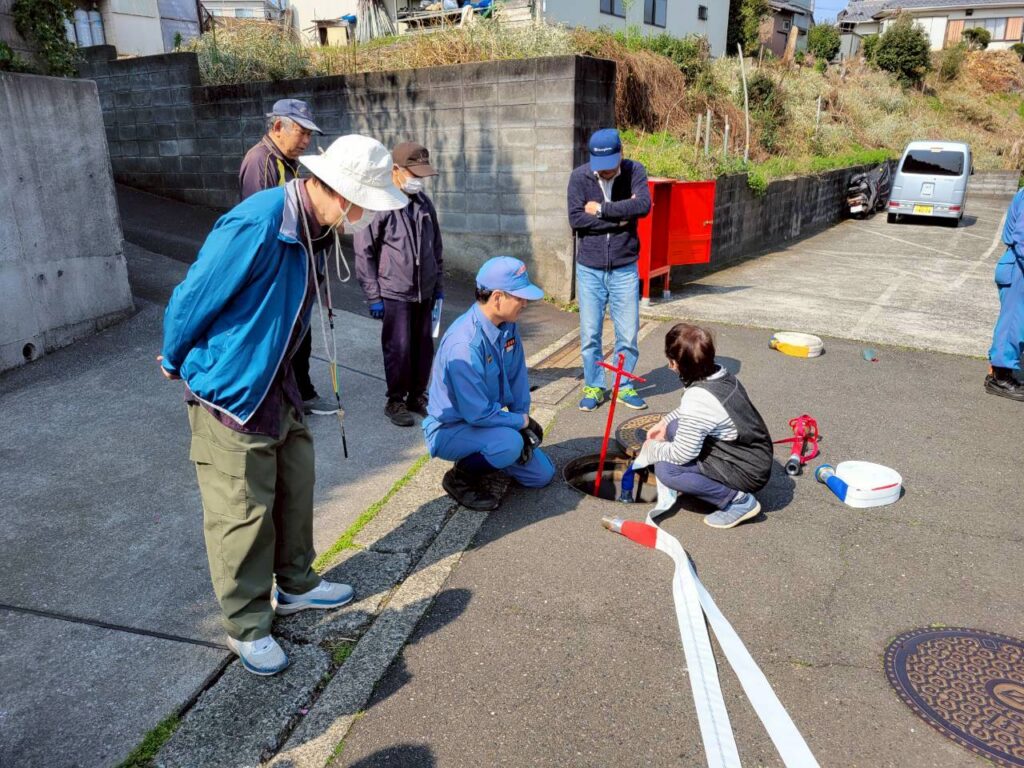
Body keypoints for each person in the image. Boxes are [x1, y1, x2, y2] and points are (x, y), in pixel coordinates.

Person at [159, 135, 408, 675]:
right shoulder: (260, 222)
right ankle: (247, 624)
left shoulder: (313, 225)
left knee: (296, 480)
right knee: (241, 511)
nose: (365, 216)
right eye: (364, 204)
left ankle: (296, 583)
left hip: (276, 381)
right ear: (339, 192)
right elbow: (193, 296)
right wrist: (174, 358)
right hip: (232, 386)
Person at [422, 257, 554, 511]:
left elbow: (518, 379)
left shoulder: (508, 326)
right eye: (520, 297)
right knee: (509, 444)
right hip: (451, 428)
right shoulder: (464, 345)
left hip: (487, 421)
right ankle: (460, 477)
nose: (525, 303)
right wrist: (521, 423)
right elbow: (477, 413)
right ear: (497, 297)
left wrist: (521, 418)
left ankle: (493, 455)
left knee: (541, 475)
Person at [239, 98, 335, 416]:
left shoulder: (288, 162)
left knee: (299, 334)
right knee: (280, 337)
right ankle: (282, 400)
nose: (306, 141)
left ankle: (300, 394)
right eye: (302, 132)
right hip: (276, 269)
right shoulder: (261, 161)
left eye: (309, 134)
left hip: (296, 266)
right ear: (278, 126)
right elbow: (263, 224)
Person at [632, 324, 773, 529]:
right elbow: (698, 413)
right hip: (751, 453)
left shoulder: (698, 397)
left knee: (667, 470)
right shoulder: (720, 374)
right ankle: (704, 481)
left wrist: (651, 449)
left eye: (670, 361)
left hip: (747, 471)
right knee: (673, 427)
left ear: (675, 364)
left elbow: (682, 454)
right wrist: (664, 422)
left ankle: (738, 501)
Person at [354, 141, 444, 427]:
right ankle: (395, 400)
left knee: (423, 348)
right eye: (414, 174)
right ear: (395, 169)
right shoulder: (379, 203)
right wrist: (373, 296)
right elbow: (364, 252)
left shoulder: (423, 203)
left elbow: (436, 248)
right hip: (394, 291)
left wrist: (438, 286)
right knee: (399, 349)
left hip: (424, 292)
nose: (418, 180)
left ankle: (417, 396)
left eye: (421, 175)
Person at [567, 127, 652, 413]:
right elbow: (576, 219)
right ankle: (594, 385)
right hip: (589, 268)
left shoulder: (634, 171)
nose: (604, 171)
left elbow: (643, 205)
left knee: (627, 333)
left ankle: (623, 385)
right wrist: (621, 218)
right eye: (599, 165)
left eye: (609, 165)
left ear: (621, 154)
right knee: (590, 334)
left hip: (624, 266)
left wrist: (602, 210)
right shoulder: (579, 177)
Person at [985, 188, 1024, 401]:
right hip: (1019, 268)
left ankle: (999, 371)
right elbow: (1022, 239)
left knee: (1016, 323)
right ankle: (1000, 377)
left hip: (1016, 265)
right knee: (1012, 325)